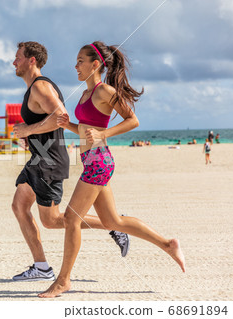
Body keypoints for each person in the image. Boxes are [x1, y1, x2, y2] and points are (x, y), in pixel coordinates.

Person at [39, 41, 185, 298]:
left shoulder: (104, 91)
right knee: (112, 221)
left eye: (80, 61)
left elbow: (133, 120)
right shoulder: (85, 94)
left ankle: (63, 281)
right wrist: (69, 125)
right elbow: (88, 130)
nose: (76, 66)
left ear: (95, 64)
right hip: (92, 160)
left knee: (72, 219)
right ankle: (168, 244)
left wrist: (105, 133)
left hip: (99, 162)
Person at [11, 41, 130, 282]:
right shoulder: (34, 88)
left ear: (31, 60)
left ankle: (112, 226)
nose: (14, 62)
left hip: (48, 161)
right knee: (19, 206)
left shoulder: (40, 88)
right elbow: (57, 122)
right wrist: (30, 136)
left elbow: (59, 117)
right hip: (39, 158)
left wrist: (28, 130)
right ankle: (42, 267)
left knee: (55, 221)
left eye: (18, 57)